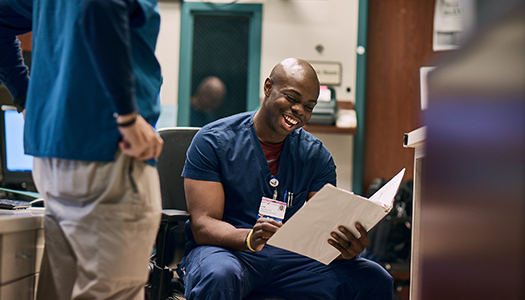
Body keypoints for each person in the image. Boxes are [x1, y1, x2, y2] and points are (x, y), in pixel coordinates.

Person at [178, 58, 394, 299]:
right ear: (268, 87)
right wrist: (248, 237)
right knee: (220, 275)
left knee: (373, 278)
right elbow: (203, 225)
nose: (300, 110)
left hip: (287, 258)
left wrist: (345, 248)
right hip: (226, 251)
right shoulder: (213, 141)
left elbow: (322, 230)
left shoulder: (315, 156)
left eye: (309, 106)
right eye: (292, 99)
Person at [0, 0, 164, 299]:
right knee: (114, 293)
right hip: (107, 149)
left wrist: (24, 96)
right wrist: (126, 115)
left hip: (54, 156)